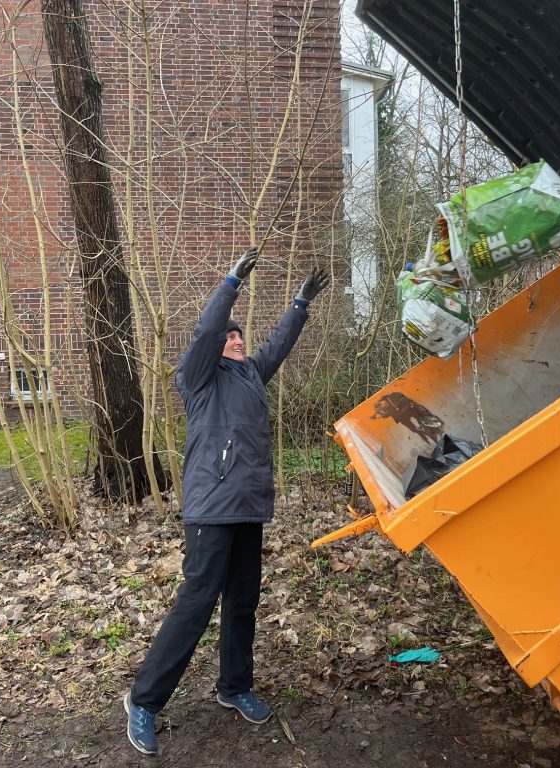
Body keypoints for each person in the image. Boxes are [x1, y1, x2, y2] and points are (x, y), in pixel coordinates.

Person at [124, 246, 330, 755]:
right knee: (196, 604)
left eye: (240, 335)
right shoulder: (198, 378)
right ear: (217, 346)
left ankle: (234, 686)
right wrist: (230, 283)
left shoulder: (250, 375)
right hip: (210, 508)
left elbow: (277, 346)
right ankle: (145, 700)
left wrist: (300, 303)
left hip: (248, 507)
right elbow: (205, 331)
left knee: (243, 601)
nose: (237, 340)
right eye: (229, 336)